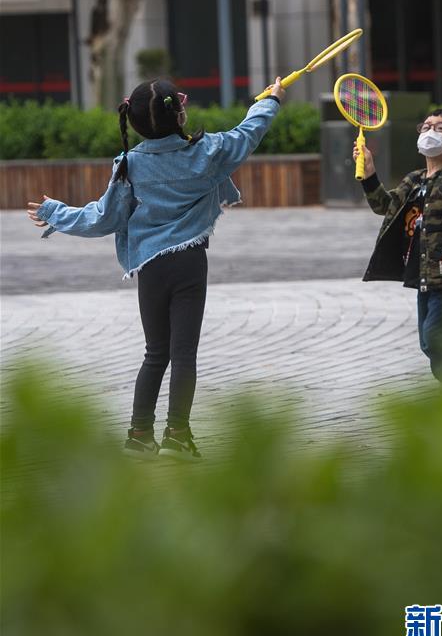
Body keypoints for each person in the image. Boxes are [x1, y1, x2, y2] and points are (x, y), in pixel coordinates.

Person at [27, 76, 285, 460]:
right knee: (183, 355)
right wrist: (270, 101)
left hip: (150, 267)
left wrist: (56, 212)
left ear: (133, 122)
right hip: (190, 262)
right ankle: (177, 437)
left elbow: (102, 218)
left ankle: (138, 436)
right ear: (179, 114)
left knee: (155, 353)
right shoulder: (207, 152)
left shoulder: (130, 165)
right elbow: (247, 133)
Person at [353, 108, 442, 382]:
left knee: (437, 339)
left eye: (440, 128)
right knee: (429, 342)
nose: (429, 131)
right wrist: (370, 172)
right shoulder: (414, 180)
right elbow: (385, 207)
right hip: (426, 275)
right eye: (425, 127)